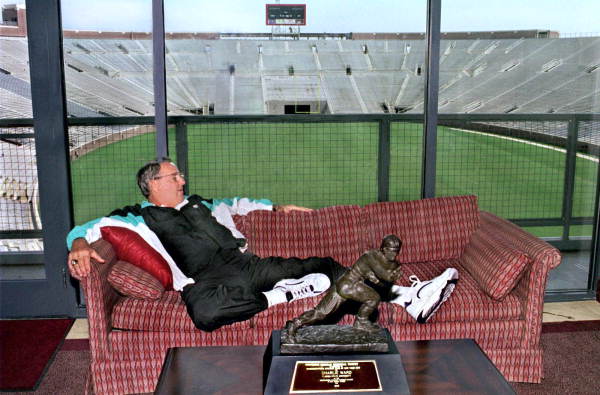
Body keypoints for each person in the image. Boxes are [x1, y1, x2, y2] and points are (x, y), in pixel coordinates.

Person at [67, 157, 458, 332]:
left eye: (180, 175)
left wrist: (276, 207)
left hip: (247, 264)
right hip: (205, 279)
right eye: (173, 177)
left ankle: (407, 297)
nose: (182, 180)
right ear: (152, 184)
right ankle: (283, 297)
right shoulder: (136, 215)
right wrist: (80, 245)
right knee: (203, 314)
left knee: (324, 264)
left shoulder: (202, 203)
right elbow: (85, 228)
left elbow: (238, 204)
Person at [285, 234, 403, 337]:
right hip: (350, 284)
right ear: (383, 248)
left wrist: (381, 279)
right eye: (391, 250)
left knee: (320, 313)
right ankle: (361, 321)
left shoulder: (382, 259)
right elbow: (384, 275)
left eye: (396, 251)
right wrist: (392, 276)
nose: (394, 254)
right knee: (374, 298)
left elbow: (380, 281)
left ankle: (296, 323)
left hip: (343, 284)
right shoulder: (371, 256)